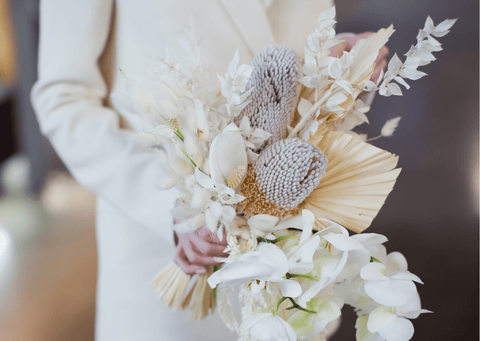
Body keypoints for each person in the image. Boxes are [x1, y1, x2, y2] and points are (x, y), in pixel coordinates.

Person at [31, 1, 387, 340]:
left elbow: (285, 61)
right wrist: (179, 205)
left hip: (297, 275)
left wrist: (342, 76)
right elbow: (64, 99)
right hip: (169, 272)